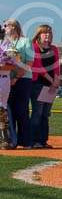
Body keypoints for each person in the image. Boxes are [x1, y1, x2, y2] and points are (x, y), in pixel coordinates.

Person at [3, 19, 34, 148]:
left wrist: (17, 77)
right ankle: (12, 140)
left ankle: (26, 141)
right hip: (6, 80)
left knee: (22, 110)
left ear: (13, 27)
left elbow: (30, 62)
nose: (4, 28)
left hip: (23, 79)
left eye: (6, 26)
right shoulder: (4, 43)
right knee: (8, 111)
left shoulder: (25, 41)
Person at [29, 24, 60, 149]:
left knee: (46, 114)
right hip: (39, 84)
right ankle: (34, 140)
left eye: (49, 33)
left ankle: (43, 140)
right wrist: (51, 80)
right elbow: (38, 66)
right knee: (37, 113)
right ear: (39, 34)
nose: (47, 35)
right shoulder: (34, 47)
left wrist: (56, 81)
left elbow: (57, 66)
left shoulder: (54, 49)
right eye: (44, 33)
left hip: (51, 86)